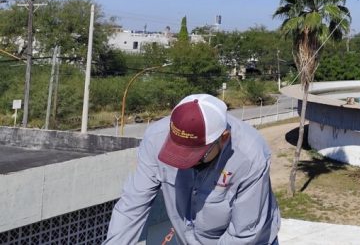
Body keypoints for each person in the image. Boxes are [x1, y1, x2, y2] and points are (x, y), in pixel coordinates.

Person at [105, 94, 281, 244]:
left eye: (195, 155)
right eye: (176, 151)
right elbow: (132, 206)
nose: (185, 163)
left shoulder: (250, 156)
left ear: (224, 138)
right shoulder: (155, 140)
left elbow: (244, 234)